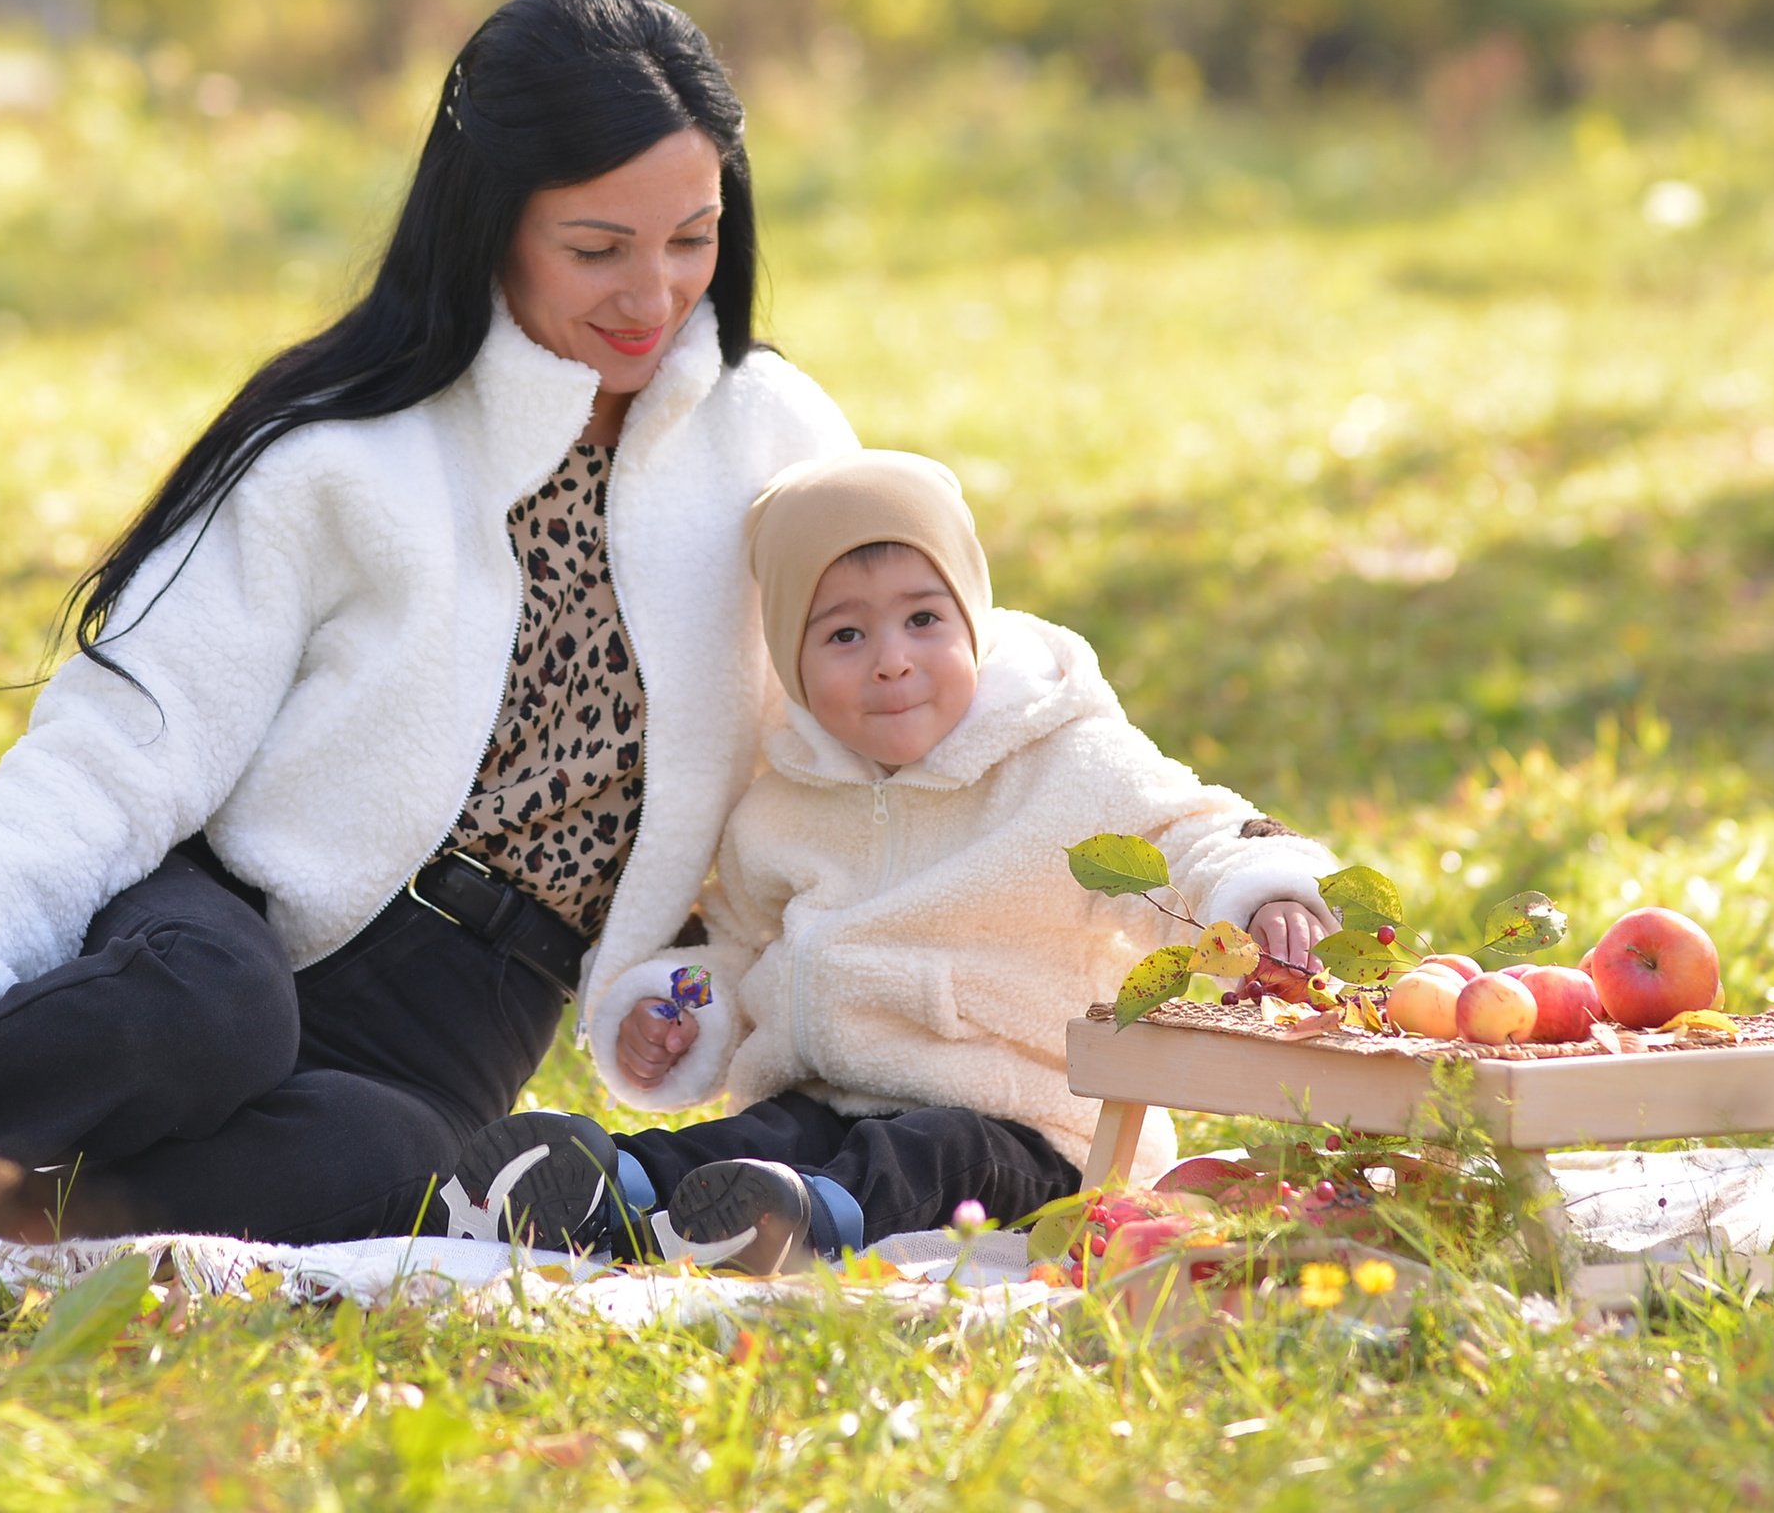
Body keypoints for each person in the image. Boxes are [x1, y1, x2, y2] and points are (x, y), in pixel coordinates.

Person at [0, 0, 856, 1245]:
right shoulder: (342, 450)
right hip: (226, 934)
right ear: (492, 224)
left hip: (455, 1030)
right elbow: (115, 748)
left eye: (693, 237)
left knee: (381, 1168)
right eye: (598, 247)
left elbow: (880, 706)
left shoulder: (775, 443)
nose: (655, 293)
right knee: (208, 1015)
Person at [421, 449, 1336, 1272]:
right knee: (759, 1137)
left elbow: (1191, 830)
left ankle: (800, 1224)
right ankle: (602, 1188)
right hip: (828, 1097)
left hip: (1028, 1127)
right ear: (792, 662)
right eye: (845, 636)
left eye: (923, 618)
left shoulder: (1065, 765)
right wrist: (681, 1008)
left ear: (972, 620)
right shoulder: (782, 805)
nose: (892, 661)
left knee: (928, 1156)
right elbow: (736, 946)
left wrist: (1262, 893)